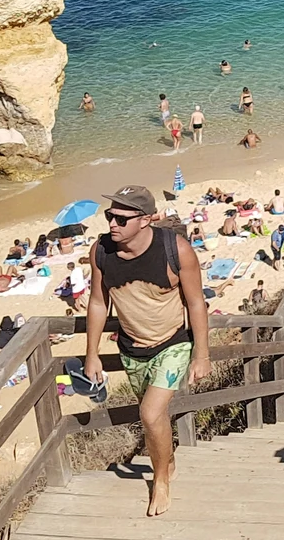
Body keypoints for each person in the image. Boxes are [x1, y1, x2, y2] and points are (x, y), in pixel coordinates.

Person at [84, 185, 212, 517]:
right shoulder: (101, 252)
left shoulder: (176, 250)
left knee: (150, 414)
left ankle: (161, 482)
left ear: (145, 220)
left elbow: (197, 302)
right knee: (155, 418)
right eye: (110, 216)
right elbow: (98, 303)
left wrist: (201, 354)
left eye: (121, 219)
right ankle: (167, 460)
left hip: (173, 343)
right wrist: (92, 353)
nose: (112, 223)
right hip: (131, 348)